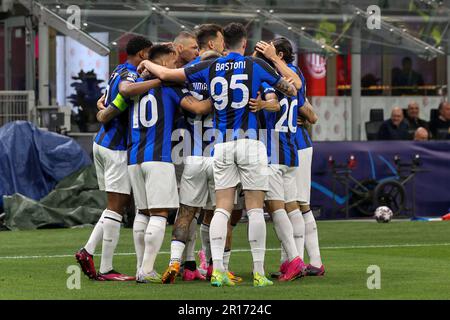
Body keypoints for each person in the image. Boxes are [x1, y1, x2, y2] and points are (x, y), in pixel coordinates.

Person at [138, 22, 297, 287]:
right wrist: (275, 83)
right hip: (249, 141)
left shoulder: (210, 67)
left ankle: (217, 271)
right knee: (255, 209)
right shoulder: (256, 65)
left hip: (220, 145)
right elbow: (291, 88)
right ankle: (258, 272)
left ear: (225, 41)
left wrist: (148, 65)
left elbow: (170, 74)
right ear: (244, 44)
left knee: (220, 209)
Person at [75, 36, 153, 281]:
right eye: (149, 53)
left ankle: (88, 251)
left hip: (103, 143)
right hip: (116, 146)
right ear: (141, 53)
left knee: (114, 204)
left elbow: (109, 96)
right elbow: (123, 94)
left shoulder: (118, 69)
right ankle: (106, 268)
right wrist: (107, 113)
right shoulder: (130, 75)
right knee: (117, 205)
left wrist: (103, 108)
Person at [257, 37, 324, 277]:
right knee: (290, 204)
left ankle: (313, 261)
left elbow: (302, 99)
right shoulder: (273, 73)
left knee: (299, 203)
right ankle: (290, 260)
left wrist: (306, 115)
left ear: (280, 55)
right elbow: (308, 111)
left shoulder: (290, 72)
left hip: (294, 145)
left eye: (268, 50)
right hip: (286, 144)